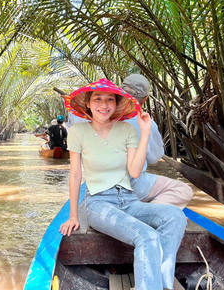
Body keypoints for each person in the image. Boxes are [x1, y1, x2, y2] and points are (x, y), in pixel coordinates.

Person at [59, 78, 186, 290]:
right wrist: (73, 215)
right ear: (88, 104)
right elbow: (75, 176)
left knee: (176, 217)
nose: (104, 104)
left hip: (128, 200)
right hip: (99, 204)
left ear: (117, 104)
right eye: (97, 99)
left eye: (110, 99)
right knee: (148, 236)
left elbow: (135, 171)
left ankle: (163, 283)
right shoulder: (78, 133)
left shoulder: (127, 130)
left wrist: (145, 133)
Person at [121, 74, 193, 209]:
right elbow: (154, 158)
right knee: (183, 190)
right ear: (144, 100)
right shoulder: (147, 123)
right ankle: (152, 210)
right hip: (136, 187)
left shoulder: (101, 117)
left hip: (105, 187)